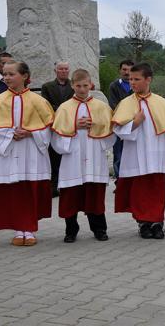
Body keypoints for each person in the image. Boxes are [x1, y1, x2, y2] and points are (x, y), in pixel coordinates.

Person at [0, 61, 54, 245]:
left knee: (29, 190)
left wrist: (31, 132)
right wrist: (9, 134)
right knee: (14, 191)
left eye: (11, 74)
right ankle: (19, 229)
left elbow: (49, 127)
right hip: (9, 152)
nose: (6, 78)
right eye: (5, 74)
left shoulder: (39, 101)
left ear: (24, 76)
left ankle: (30, 230)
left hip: (31, 151)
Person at [111, 62, 165, 239]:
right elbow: (117, 130)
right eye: (130, 79)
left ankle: (157, 223)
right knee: (140, 192)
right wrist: (134, 123)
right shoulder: (126, 103)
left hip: (158, 154)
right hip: (135, 155)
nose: (132, 82)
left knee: (157, 190)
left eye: (137, 79)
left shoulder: (161, 103)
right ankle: (143, 223)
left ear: (148, 79)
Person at [51, 69, 116, 243]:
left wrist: (96, 127)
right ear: (72, 85)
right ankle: (71, 230)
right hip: (73, 158)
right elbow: (56, 136)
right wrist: (74, 126)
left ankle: (99, 229)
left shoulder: (101, 107)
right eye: (78, 86)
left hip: (94, 156)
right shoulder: (65, 108)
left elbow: (111, 132)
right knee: (71, 195)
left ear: (91, 85)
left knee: (95, 194)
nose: (81, 89)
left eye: (85, 85)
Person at [41, 61, 74, 197]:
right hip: (54, 125)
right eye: (61, 69)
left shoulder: (74, 85)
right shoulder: (47, 86)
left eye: (66, 69)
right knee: (53, 155)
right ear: (55, 70)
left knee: (69, 155)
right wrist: (60, 111)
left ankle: (68, 185)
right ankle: (53, 185)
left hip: (71, 124)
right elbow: (46, 105)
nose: (63, 71)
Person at [108, 59, 134, 179]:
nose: (127, 72)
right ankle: (119, 180)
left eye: (129, 70)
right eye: (124, 69)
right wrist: (126, 119)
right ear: (120, 70)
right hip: (120, 124)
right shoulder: (114, 86)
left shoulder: (136, 85)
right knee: (118, 153)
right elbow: (114, 105)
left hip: (136, 125)